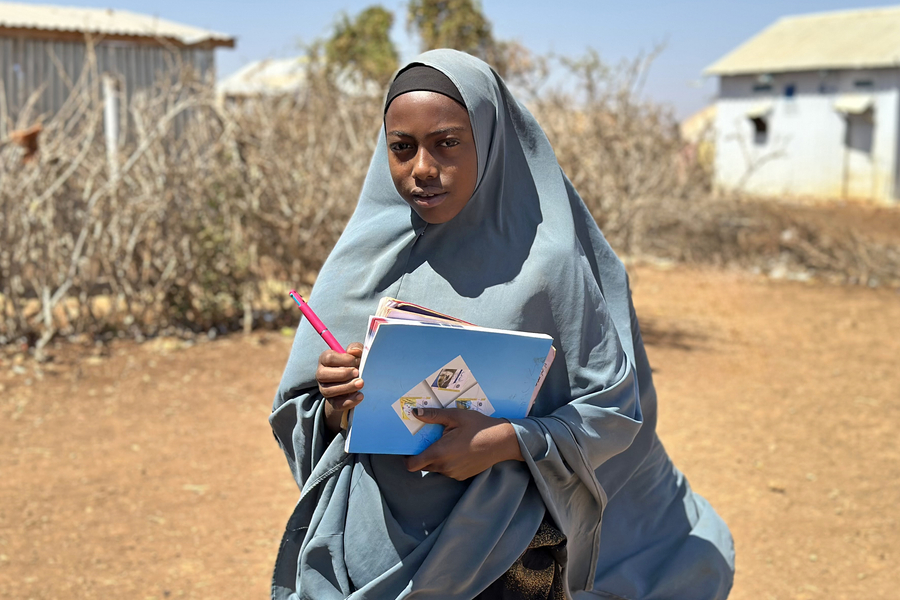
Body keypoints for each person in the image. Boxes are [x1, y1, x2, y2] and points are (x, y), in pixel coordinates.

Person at [270, 49, 735, 600]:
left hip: (500, 555)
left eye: (446, 143)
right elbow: (303, 411)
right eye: (402, 148)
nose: (422, 167)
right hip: (366, 549)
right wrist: (336, 404)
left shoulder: (549, 265)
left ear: (489, 141)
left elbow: (612, 410)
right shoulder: (363, 258)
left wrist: (508, 441)